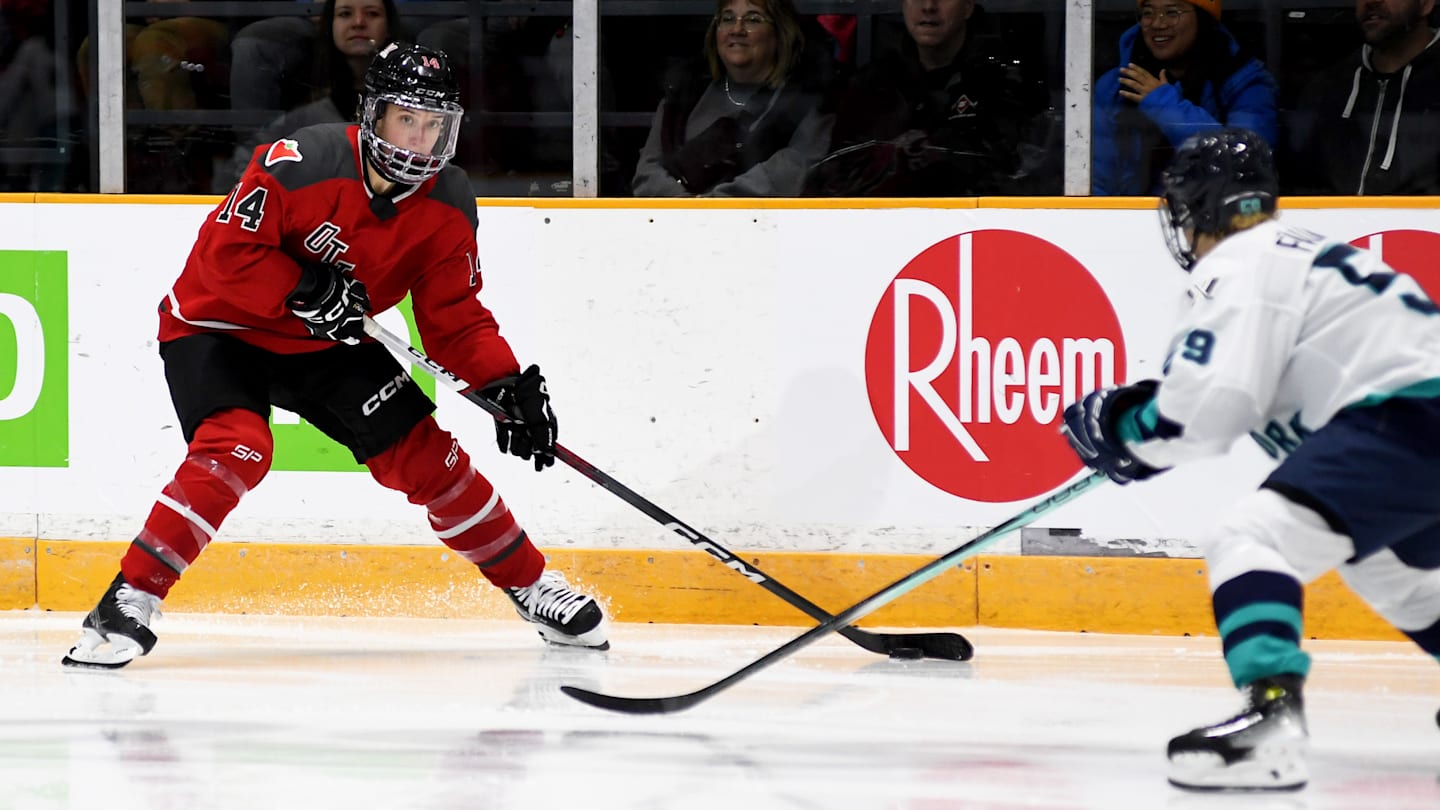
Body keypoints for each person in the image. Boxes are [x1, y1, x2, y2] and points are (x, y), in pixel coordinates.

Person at [61, 42, 609, 670]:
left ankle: (531, 585)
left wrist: (503, 384)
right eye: (408, 118)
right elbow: (224, 258)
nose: (421, 140)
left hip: (328, 342)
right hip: (219, 327)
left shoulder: (449, 202)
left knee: (431, 460)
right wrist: (300, 287)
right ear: (372, 115)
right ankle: (127, 599)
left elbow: (453, 316)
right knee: (235, 446)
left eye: (436, 124)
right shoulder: (300, 162)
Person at [1060, 128, 1440, 791]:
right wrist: (1147, 429)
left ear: (1199, 210)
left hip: (1410, 418)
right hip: (1415, 420)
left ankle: (1271, 722)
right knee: (1388, 571)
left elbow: (1202, 416)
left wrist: (1124, 427)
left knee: (1249, 536)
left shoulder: (1239, 262)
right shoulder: (1306, 254)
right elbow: (1234, 398)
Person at [804, 0, 1058, 197]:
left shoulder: (1005, 82)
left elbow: (1013, 176)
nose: (928, 6)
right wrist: (892, 157)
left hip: (975, 230)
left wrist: (937, 151)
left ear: (968, 6)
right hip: (881, 231)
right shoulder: (873, 84)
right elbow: (835, 177)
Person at [631, 0, 835, 197]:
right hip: (672, 223)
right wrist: (685, 205)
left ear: (780, 33)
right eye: (727, 19)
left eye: (753, 19)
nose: (737, 29)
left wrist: (712, 207)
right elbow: (647, 173)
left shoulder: (807, 101)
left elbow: (791, 172)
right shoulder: (684, 93)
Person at [1091, 0, 1276, 196]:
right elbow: (1097, 176)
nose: (1157, 24)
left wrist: (1164, 105)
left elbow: (1246, 163)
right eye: (1148, 13)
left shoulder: (1245, 82)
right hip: (1133, 219)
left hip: (1217, 218)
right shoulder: (1116, 84)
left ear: (1203, 19)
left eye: (1172, 12)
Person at [214, 0, 400, 192]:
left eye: (372, 14)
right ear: (329, 25)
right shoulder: (305, 117)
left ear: (388, 26)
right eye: (345, 14)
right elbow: (241, 170)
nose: (358, 22)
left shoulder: (408, 113)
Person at [1283, 0, 1440, 195]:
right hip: (1333, 223)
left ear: (1426, 4)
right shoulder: (1328, 88)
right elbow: (1299, 185)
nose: (1371, 2)